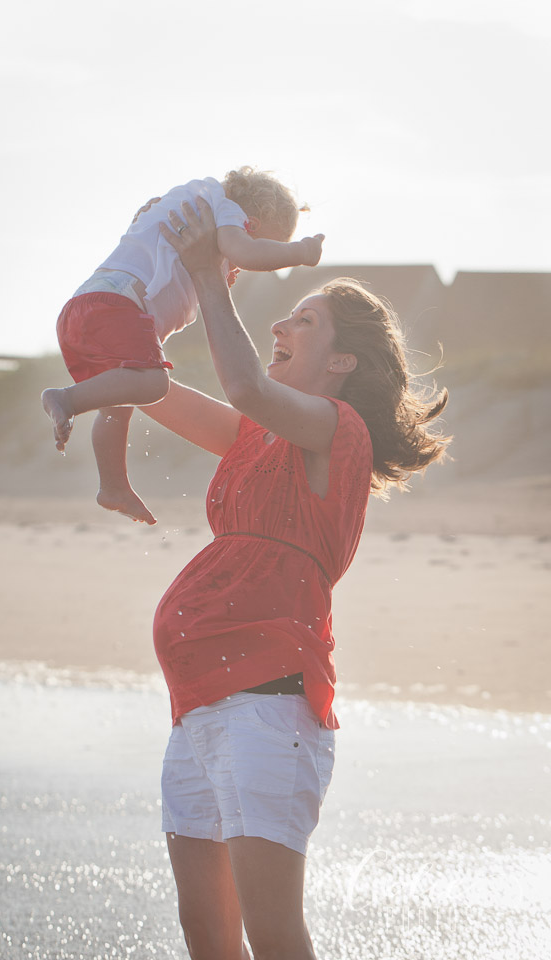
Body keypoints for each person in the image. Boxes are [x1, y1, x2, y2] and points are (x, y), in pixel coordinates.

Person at [136, 198, 451, 960]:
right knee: (206, 933)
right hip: (200, 706)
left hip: (268, 708)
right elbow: (144, 386)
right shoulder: (256, 438)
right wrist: (118, 311)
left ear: (341, 362)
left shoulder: (337, 433)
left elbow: (244, 387)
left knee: (273, 935)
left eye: (302, 322)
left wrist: (216, 281)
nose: (280, 327)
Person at [41, 168, 324, 524]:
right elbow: (247, 252)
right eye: (270, 246)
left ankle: (112, 485)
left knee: (117, 404)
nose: (249, 263)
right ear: (250, 224)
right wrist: (300, 252)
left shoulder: (186, 203)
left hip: (84, 307)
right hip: (118, 306)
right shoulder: (225, 213)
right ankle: (66, 399)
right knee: (152, 384)